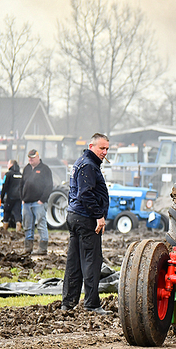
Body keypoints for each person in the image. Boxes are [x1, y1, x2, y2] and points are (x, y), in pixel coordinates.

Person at [62, 133, 112, 315]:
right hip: (86, 218)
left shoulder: (80, 162)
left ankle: (68, 302)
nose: (105, 152)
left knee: (74, 261)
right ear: (91, 146)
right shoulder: (89, 166)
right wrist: (99, 216)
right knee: (92, 261)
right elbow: (85, 194)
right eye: (102, 148)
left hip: (74, 216)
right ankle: (91, 303)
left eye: (107, 148)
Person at [20, 149, 54, 255]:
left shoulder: (45, 169)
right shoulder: (26, 168)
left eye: (33, 157)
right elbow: (22, 183)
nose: (30, 159)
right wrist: (22, 198)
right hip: (27, 202)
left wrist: (42, 200)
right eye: (29, 157)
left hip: (38, 203)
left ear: (38, 157)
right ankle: (28, 248)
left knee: (41, 224)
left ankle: (43, 248)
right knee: (27, 225)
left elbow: (49, 185)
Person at [0, 159, 23, 232]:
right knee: (17, 213)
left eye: (8, 163)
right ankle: (18, 228)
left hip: (10, 197)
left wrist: (1, 197)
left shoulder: (8, 174)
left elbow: (4, 186)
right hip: (19, 197)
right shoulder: (20, 174)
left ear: (11, 165)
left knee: (7, 212)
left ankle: (4, 229)